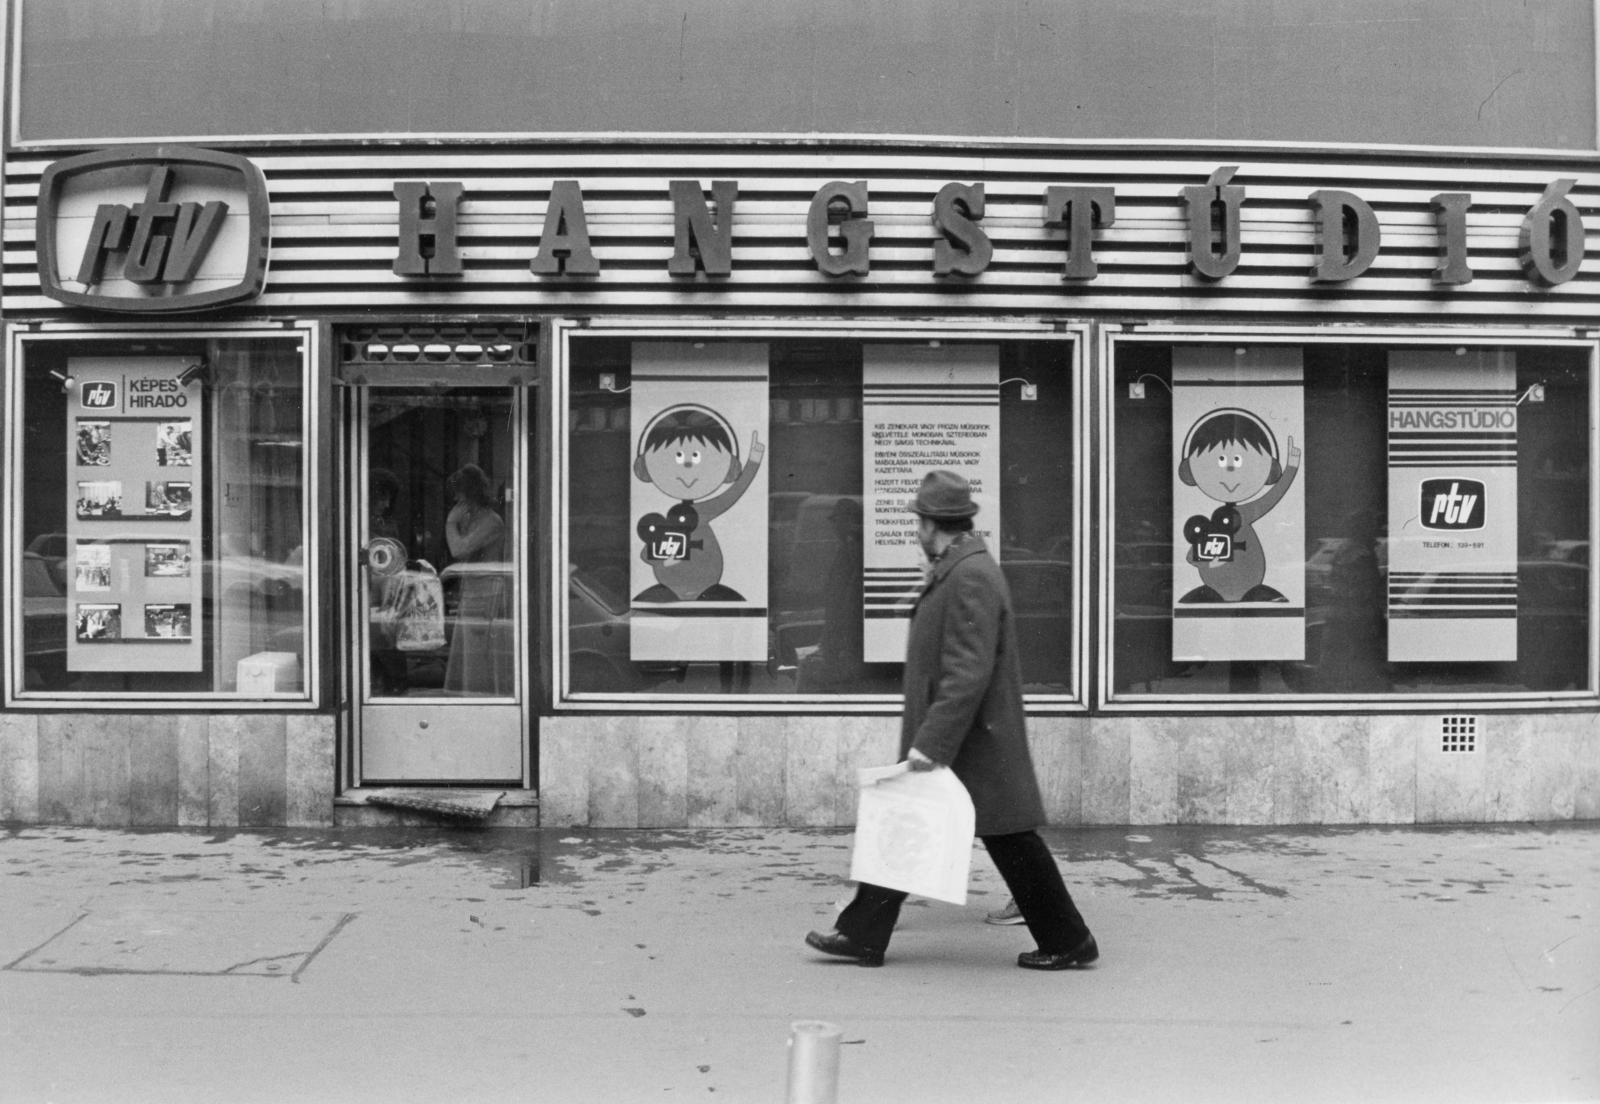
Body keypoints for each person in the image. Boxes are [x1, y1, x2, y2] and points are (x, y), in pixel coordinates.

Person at [805, 470, 1098, 970]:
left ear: (931, 523)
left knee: (1011, 840)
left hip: (971, 740)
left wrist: (931, 742)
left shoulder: (971, 574)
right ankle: (862, 935)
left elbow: (968, 671)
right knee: (909, 820)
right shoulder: (957, 568)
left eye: (918, 520)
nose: (916, 530)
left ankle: (1069, 940)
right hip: (967, 738)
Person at [442, 463, 512, 695]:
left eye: (460, 500)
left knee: (479, 655)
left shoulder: (490, 521)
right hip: (473, 592)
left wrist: (451, 523)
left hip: (486, 594)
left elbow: (459, 549)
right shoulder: (473, 519)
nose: (457, 506)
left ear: (471, 496)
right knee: (470, 658)